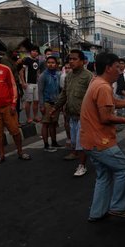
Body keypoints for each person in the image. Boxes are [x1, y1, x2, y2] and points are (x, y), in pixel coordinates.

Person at [81, 52, 125, 222]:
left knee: (104, 175)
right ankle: (117, 207)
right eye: (117, 67)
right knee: (124, 168)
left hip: (89, 140)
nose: (120, 70)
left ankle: (97, 213)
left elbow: (111, 102)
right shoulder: (103, 87)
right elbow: (106, 117)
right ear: (108, 68)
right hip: (100, 141)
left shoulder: (97, 82)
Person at [53, 49, 93, 177]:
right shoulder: (68, 76)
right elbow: (64, 93)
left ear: (82, 61)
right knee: (76, 142)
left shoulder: (88, 76)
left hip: (84, 115)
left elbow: (93, 96)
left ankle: (82, 166)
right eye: (70, 59)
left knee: (81, 143)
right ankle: (89, 158)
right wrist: (56, 107)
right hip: (72, 115)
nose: (71, 61)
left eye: (74, 59)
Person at [38, 56, 62, 152]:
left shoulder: (58, 74)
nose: (50, 64)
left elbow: (60, 89)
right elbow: (40, 91)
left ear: (56, 64)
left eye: (53, 62)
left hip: (55, 103)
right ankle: (46, 144)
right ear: (46, 64)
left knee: (53, 124)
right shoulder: (43, 76)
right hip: (46, 102)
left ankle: (54, 141)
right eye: (49, 62)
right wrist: (41, 105)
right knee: (46, 124)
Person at [0, 51, 24, 125]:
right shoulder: (5, 59)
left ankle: (16, 121)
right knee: (9, 104)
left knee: (17, 104)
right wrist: (16, 63)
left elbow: (19, 70)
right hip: (8, 84)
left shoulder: (14, 58)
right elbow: (9, 70)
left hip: (15, 83)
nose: (16, 53)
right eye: (14, 51)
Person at [20, 46, 41, 123]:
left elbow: (38, 72)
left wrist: (39, 80)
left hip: (36, 83)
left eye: (36, 51)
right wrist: (23, 82)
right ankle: (28, 117)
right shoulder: (27, 60)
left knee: (36, 101)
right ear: (30, 52)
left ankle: (35, 116)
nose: (35, 52)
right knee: (28, 101)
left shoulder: (37, 61)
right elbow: (21, 72)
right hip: (28, 84)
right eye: (33, 51)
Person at [60, 62, 72, 148]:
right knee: (67, 121)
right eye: (66, 68)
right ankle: (69, 138)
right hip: (66, 102)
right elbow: (62, 92)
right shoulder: (63, 77)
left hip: (76, 103)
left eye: (69, 68)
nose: (68, 69)